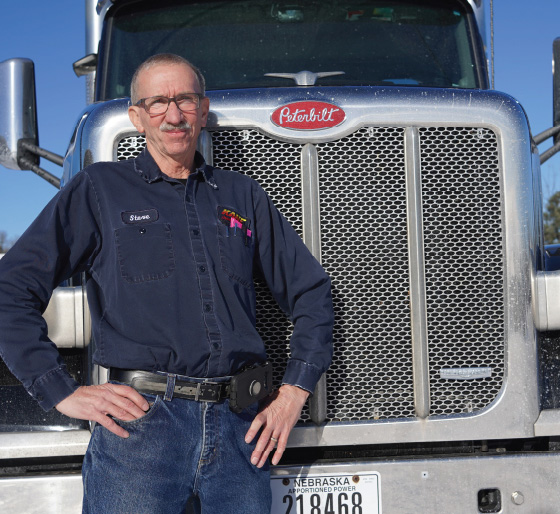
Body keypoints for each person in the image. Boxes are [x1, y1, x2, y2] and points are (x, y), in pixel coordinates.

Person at [0, 53, 333, 513]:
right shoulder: (99, 189)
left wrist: (296, 390)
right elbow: (11, 290)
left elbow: (310, 291)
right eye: (157, 102)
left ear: (204, 108)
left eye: (185, 100)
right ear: (136, 116)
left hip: (242, 433)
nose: (173, 115)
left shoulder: (241, 195)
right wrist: (60, 389)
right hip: (141, 432)